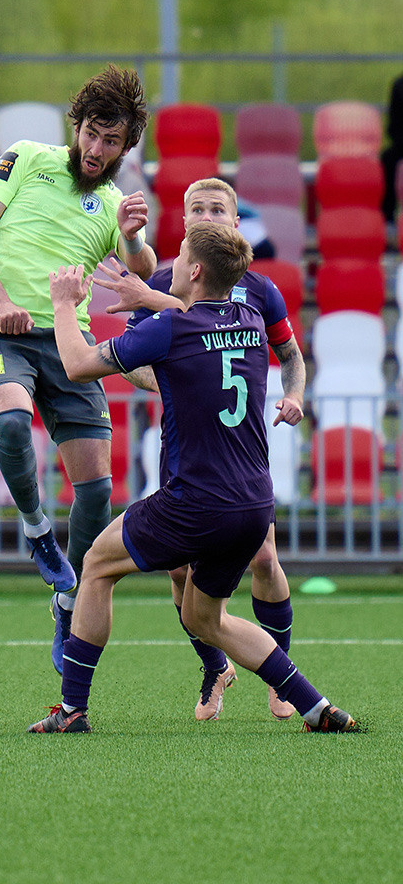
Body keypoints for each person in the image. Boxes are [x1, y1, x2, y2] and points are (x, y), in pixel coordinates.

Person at [27, 223, 362, 735]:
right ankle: (314, 707)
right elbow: (200, 317)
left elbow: (75, 365)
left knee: (95, 566)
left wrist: (63, 304)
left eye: (181, 255)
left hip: (195, 502)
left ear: (196, 270)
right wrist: (151, 296)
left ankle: (72, 711)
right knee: (207, 619)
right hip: (253, 505)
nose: (174, 261)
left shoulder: (169, 330)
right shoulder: (249, 317)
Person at [92, 177, 305, 722]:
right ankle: (214, 667)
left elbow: (290, 355)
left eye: (218, 208)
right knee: (182, 576)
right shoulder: (166, 281)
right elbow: (142, 355)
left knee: (264, 556)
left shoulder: (259, 292)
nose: (207, 216)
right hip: (188, 450)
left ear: (236, 223)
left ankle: (281, 678)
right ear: (183, 222)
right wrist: (177, 379)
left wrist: (295, 393)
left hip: (240, 454)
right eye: (196, 209)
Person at [0, 65, 156, 594]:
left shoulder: (116, 205)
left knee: (95, 493)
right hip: (0, 330)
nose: (95, 147)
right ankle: (37, 530)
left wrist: (134, 240)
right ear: (77, 126)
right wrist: (0, 301)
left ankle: (69, 602)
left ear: (124, 149)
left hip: (69, 343)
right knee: (14, 423)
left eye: (110, 140)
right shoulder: (26, 157)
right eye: (91, 132)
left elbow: (143, 268)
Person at [380, 72, 403, 222]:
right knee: (387, 160)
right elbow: (393, 126)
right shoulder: (399, 85)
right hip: (401, 144)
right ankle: (386, 219)